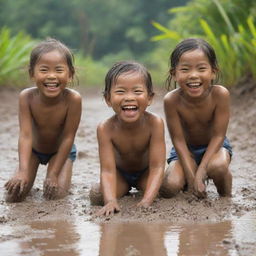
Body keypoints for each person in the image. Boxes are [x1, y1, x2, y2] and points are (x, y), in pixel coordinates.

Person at [5, 38, 82, 202]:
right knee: (13, 195)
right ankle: (28, 175)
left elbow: (69, 137)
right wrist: (23, 171)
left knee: (55, 195)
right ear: (32, 73)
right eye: (44, 70)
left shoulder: (73, 99)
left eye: (59, 70)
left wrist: (53, 174)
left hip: (60, 151)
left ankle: (62, 176)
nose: (52, 76)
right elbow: (25, 135)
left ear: (70, 74)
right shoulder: (26, 97)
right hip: (33, 150)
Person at [90, 61, 165, 216]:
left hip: (146, 173)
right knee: (96, 194)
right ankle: (118, 193)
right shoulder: (105, 129)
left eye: (137, 91)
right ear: (108, 99)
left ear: (149, 98)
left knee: (167, 188)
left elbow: (157, 167)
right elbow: (108, 170)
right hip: (121, 175)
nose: (129, 98)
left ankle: (148, 190)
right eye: (121, 92)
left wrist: (146, 201)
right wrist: (110, 200)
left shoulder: (155, 123)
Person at [160, 38, 232, 199]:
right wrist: (192, 177)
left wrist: (201, 171)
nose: (193, 75)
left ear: (213, 72)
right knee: (168, 187)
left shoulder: (220, 95)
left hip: (215, 147)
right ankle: (188, 179)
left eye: (201, 68)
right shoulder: (171, 100)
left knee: (218, 167)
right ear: (174, 74)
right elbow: (178, 140)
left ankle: (225, 192)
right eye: (185, 69)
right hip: (185, 150)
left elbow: (219, 136)